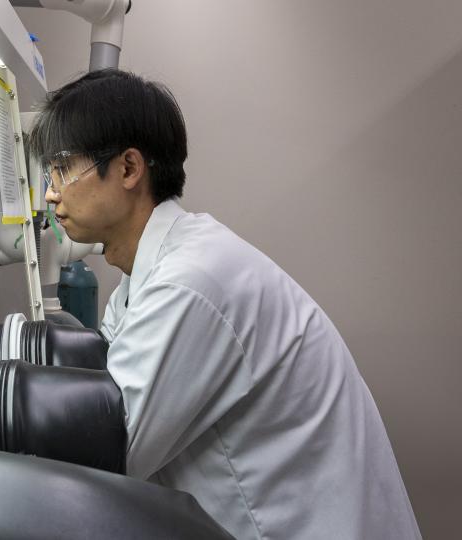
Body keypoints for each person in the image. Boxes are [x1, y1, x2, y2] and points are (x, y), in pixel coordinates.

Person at [30, 69, 420, 539]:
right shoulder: (154, 276)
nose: (51, 193)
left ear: (129, 169)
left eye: (63, 168)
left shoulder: (190, 283)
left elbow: (108, 453)